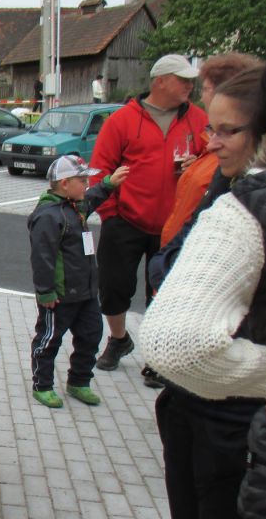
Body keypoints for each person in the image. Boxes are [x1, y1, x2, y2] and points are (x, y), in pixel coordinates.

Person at [138, 66, 266, 519]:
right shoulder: (225, 181)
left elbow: (178, 342)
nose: (211, 141)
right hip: (195, 402)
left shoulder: (249, 202)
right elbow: (173, 246)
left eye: (227, 130)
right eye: (209, 128)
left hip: (234, 412)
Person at [88, 54, 208, 384]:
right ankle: (119, 339)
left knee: (165, 293)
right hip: (125, 219)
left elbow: (215, 160)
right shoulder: (122, 120)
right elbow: (100, 168)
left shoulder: (198, 119)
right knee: (113, 288)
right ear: (160, 81)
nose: (190, 85)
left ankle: (156, 356)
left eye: (191, 80)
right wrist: (110, 213)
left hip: (175, 224)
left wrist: (197, 165)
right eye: (183, 79)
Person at [27, 156, 129, 408]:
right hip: (59, 296)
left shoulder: (76, 206)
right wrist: (46, 292)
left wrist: (108, 183)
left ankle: (79, 381)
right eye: (82, 180)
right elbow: (42, 257)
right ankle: (42, 385)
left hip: (85, 293)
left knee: (91, 336)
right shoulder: (48, 216)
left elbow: (92, 198)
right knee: (49, 340)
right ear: (64, 184)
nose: (87, 184)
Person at [160, 52, 264, 247]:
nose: (199, 94)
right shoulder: (222, 155)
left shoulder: (238, 172)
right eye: (213, 130)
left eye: (205, 88)